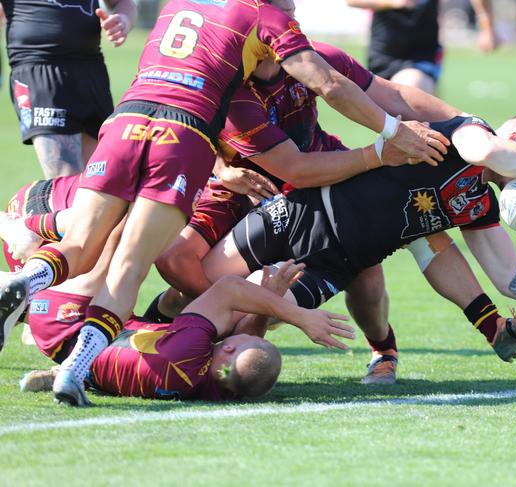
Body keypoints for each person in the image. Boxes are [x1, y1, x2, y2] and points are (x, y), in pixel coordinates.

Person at [0, 0, 449, 407]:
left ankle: (27, 279)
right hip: (186, 137)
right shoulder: (264, 18)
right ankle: (80, 367)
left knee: (85, 238)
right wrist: (390, 137)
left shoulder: (179, 5)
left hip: (128, 118)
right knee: (136, 266)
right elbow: (325, 92)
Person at [181, 112, 516, 382]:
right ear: (513, 139)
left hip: (335, 264)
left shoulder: (479, 204)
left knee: (241, 321)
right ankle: (146, 328)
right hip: (301, 213)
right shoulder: (467, 134)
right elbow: (486, 153)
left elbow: (513, 278)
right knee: (199, 282)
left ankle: (185, 364)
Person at [13, 214, 354, 405]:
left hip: (65, 321)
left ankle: (22, 230)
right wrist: (267, 309)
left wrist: (297, 315)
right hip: (66, 349)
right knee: (175, 295)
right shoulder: (219, 388)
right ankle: (58, 372)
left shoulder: (190, 349)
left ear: (231, 349)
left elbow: (229, 289)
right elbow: (246, 353)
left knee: (123, 228)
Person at [0, 0, 137, 177]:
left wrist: (123, 20)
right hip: (38, 69)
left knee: (104, 182)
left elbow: (124, 3)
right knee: (66, 178)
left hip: (91, 70)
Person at [346, 0, 498, 94]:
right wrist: (392, 2)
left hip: (422, 53)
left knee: (411, 92)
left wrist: (487, 29)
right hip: (383, 52)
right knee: (417, 113)